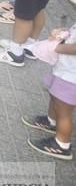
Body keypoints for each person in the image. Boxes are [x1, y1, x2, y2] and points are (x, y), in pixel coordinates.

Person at [21, 23, 76, 160]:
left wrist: (56, 47)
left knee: (64, 111)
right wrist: (63, 32)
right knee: (56, 98)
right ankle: (51, 121)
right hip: (65, 69)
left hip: (72, 75)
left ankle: (62, 144)